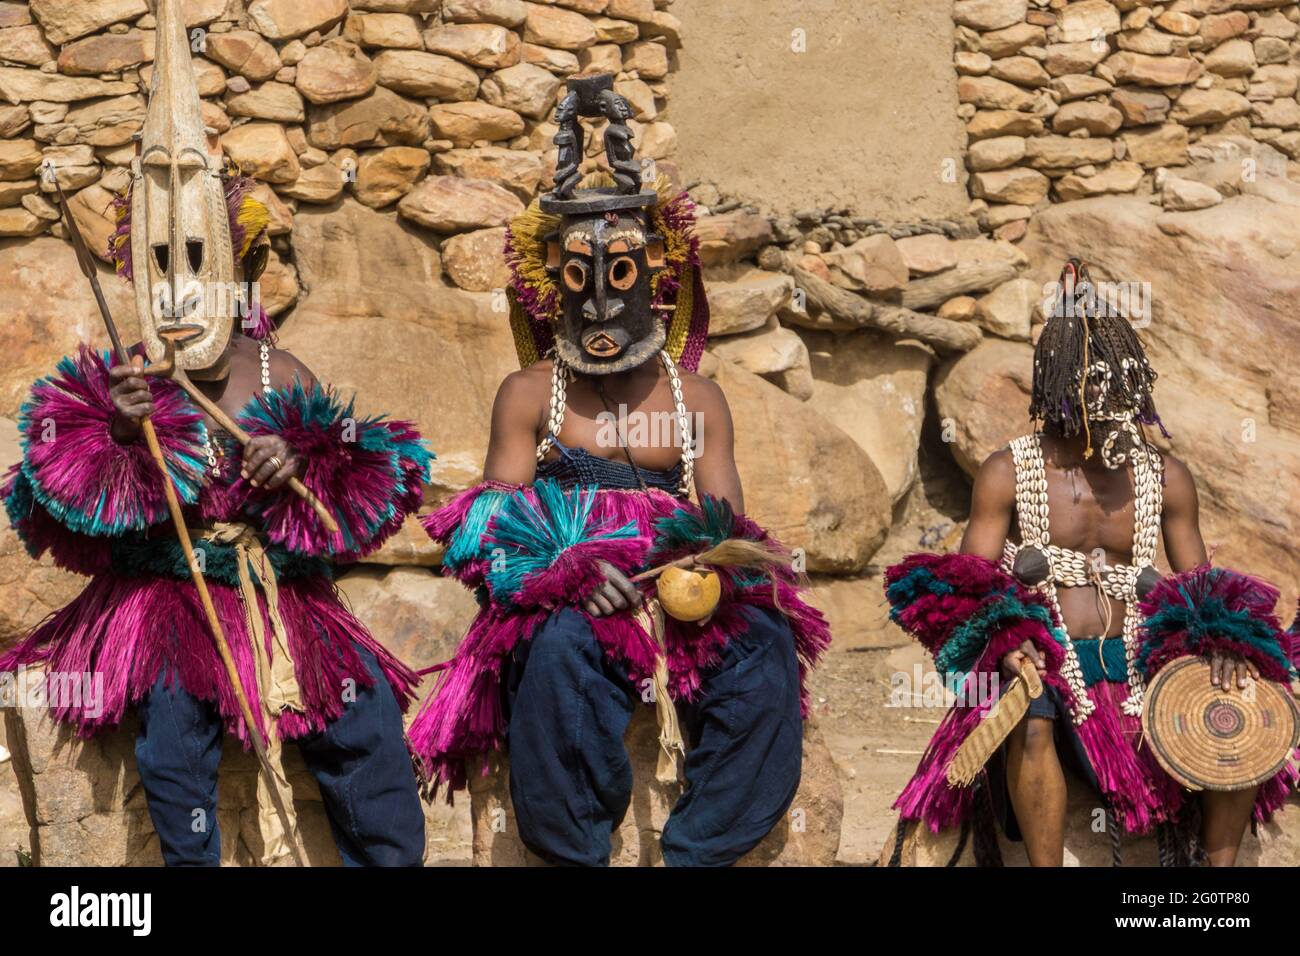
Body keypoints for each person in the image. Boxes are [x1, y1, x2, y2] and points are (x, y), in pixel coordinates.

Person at [0, 0, 431, 867]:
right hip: (167, 600)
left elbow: (350, 504)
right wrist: (121, 438)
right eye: (161, 261)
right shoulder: (117, 380)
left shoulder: (283, 372)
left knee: (364, 722)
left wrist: (298, 462)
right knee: (172, 732)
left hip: (280, 596)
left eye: (200, 257)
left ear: (237, 264)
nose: (182, 281)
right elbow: (56, 508)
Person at [408, 73, 830, 867]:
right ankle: (576, 853)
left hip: (676, 585)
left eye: (624, 274)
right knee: (562, 654)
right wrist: (567, 571)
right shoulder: (530, 392)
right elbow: (486, 525)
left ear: (660, 281)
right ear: (552, 287)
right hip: (567, 590)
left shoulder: (696, 397)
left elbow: (729, 525)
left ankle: (697, 852)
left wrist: (700, 572)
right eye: (578, 276)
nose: (601, 299)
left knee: (765, 653)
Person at [885, 258, 1294, 867]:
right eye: (1091, 388)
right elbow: (968, 588)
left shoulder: (1165, 475)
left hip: (1137, 671)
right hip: (1047, 664)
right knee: (1027, 711)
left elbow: (1201, 589)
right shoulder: (1009, 471)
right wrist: (1008, 641)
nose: (1108, 405)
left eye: (1118, 388)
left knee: (1236, 700)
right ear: (1055, 387)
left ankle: (1214, 882)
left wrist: (1222, 645)